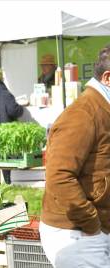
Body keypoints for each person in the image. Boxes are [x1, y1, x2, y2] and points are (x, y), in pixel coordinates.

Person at [39, 44, 110, 267]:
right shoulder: (83, 114)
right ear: (108, 78)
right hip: (76, 234)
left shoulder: (101, 108)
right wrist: (91, 223)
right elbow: (59, 176)